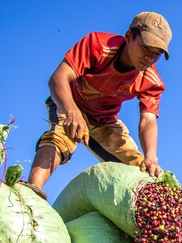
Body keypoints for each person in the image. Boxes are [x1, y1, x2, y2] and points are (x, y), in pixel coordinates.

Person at [26, 12, 172, 199]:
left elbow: (147, 120)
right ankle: (30, 192)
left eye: (157, 54)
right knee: (61, 138)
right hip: (69, 102)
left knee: (140, 167)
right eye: (145, 48)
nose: (149, 58)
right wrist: (72, 112)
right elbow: (58, 78)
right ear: (129, 37)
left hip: (104, 120)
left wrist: (151, 155)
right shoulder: (98, 45)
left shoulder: (152, 80)